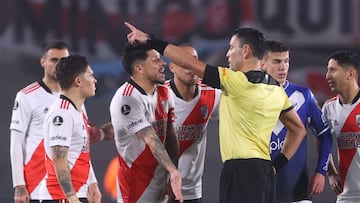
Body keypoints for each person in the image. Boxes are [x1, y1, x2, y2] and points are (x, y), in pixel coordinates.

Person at [124, 22, 306, 203]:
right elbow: (298, 130)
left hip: (241, 171)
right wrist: (276, 166)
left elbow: (187, 62)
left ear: (246, 51)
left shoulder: (236, 82)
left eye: (232, 47)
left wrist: (150, 40)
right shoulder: (277, 89)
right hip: (264, 172)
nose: (228, 53)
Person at [9, 40, 113, 203]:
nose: (58, 65)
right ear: (42, 61)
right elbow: (18, 143)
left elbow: (81, 147)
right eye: (54, 60)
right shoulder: (49, 106)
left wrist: (91, 182)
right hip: (49, 188)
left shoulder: (76, 105)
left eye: (63, 60)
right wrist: (19, 185)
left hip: (73, 188)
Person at [109, 43, 183, 203]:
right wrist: (173, 171)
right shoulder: (126, 99)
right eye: (156, 60)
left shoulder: (165, 92)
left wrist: (172, 175)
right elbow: (150, 137)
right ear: (139, 68)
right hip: (136, 188)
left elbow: (170, 137)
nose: (163, 63)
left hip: (162, 183)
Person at [260, 40, 332, 202]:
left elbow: (324, 134)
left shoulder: (303, 95)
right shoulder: (250, 96)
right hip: (261, 192)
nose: (283, 67)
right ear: (262, 64)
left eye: (286, 61)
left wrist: (321, 171)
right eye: (277, 61)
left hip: (298, 192)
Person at [165, 44, 221, 202]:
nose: (190, 65)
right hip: (160, 188)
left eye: (194, 60)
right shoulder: (159, 96)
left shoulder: (212, 95)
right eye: (183, 61)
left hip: (192, 191)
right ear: (172, 67)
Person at [42, 55, 101, 203]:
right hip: (61, 196)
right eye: (91, 75)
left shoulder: (77, 111)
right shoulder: (62, 113)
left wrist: (92, 182)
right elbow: (59, 157)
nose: (95, 80)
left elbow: (81, 151)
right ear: (78, 81)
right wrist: (72, 197)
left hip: (77, 192)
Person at [322, 50, 360, 203]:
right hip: (346, 194)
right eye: (327, 70)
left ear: (350, 73)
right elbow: (322, 141)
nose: (327, 76)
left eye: (333, 70)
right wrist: (331, 172)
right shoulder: (328, 108)